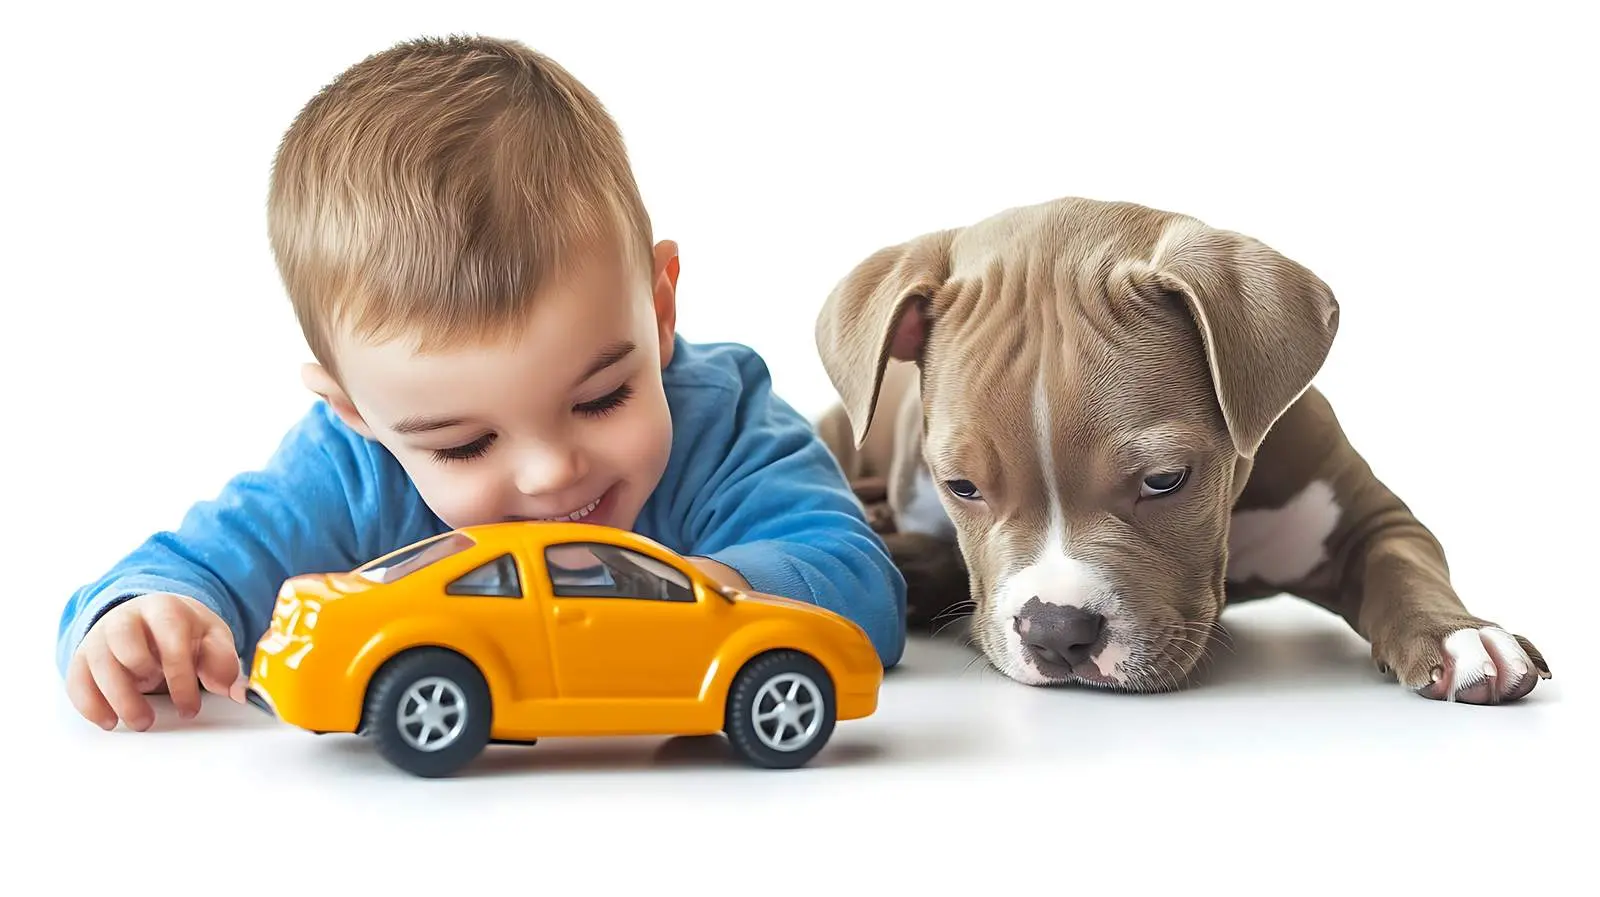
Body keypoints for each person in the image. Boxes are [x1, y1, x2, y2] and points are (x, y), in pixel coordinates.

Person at [57, 34, 906, 732]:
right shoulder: (352, 470)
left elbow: (856, 583)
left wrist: (677, 606)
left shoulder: (720, 417)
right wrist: (144, 615)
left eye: (601, 396)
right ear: (361, 415)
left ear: (658, 309)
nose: (552, 472)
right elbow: (187, 569)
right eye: (463, 444)